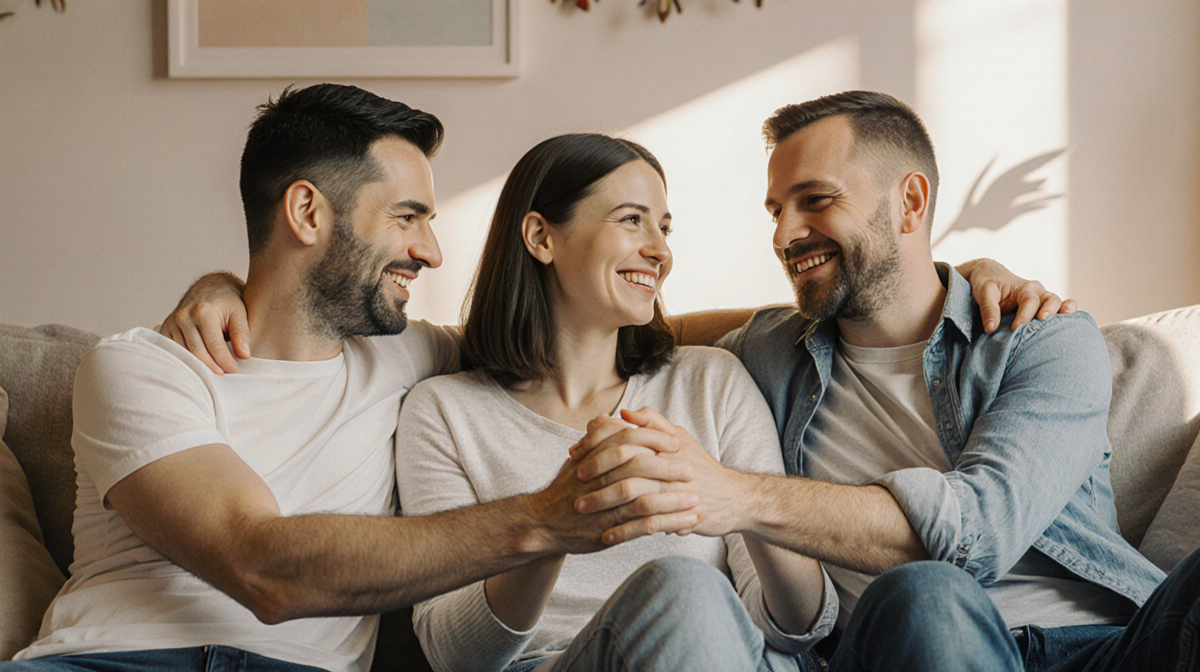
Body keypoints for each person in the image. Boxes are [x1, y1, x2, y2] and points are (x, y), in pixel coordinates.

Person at [1, 85, 701, 672]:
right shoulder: (141, 367)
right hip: (112, 660)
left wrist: (750, 329)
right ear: (307, 212)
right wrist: (546, 518)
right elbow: (261, 567)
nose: (430, 251)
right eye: (408, 218)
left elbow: (570, 330)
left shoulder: (406, 358)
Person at [568, 91, 1200, 671]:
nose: (784, 235)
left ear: (910, 203)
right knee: (926, 594)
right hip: (902, 642)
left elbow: (978, 532)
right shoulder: (768, 353)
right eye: (777, 210)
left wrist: (739, 497)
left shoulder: (1043, 340)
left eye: (816, 201)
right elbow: (648, 333)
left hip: (1100, 652)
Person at [393, 133, 836, 672]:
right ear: (541, 237)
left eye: (664, 228)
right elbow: (454, 655)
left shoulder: (711, 381)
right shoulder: (444, 413)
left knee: (694, 595)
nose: (660, 251)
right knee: (683, 587)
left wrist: (741, 501)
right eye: (631, 220)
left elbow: (801, 624)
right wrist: (550, 527)